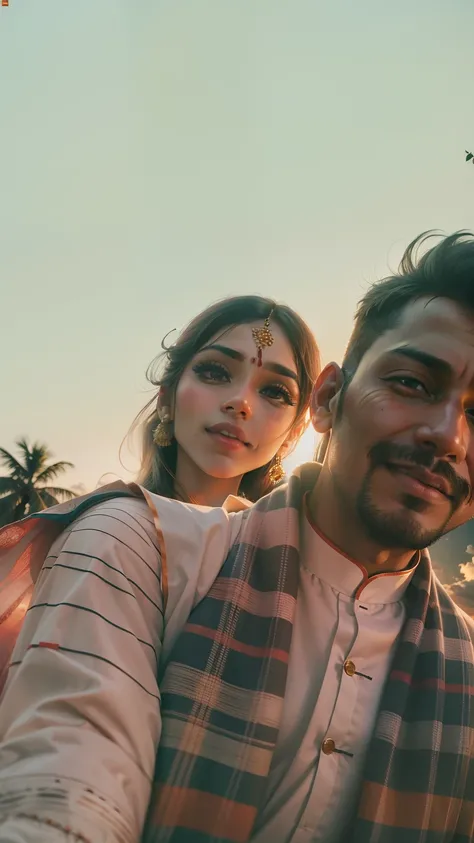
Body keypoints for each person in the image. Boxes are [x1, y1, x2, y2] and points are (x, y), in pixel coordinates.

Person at [0, 232, 473, 843]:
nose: (448, 436)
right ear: (330, 401)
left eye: (274, 391)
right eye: (412, 383)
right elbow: (69, 775)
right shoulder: (132, 540)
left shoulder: (460, 664)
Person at [0, 295, 320, 692]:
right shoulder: (108, 533)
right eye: (216, 372)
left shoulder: (301, 566)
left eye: (275, 392)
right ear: (167, 396)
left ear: (293, 432)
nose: (240, 403)